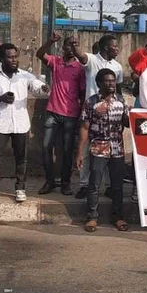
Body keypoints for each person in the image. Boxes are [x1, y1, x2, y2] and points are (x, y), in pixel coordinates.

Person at [0, 43, 49, 203]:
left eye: (16, 57)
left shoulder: (25, 75)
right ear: (1, 59)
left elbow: (36, 86)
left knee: (22, 158)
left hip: (20, 123)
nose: (14, 60)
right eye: (10, 57)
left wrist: (43, 88)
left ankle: (20, 188)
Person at [68, 35, 123, 197]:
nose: (117, 49)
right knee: (86, 150)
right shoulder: (92, 60)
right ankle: (85, 185)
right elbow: (80, 55)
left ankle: (108, 186)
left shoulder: (117, 66)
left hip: (111, 116)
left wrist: (120, 110)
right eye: (115, 46)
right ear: (106, 47)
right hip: (91, 113)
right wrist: (74, 44)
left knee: (109, 152)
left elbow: (118, 90)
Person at [76, 69, 130, 233]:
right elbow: (85, 128)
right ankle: (92, 217)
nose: (111, 84)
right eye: (107, 81)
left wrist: (130, 116)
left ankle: (118, 217)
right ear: (99, 83)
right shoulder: (91, 102)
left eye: (113, 81)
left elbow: (128, 123)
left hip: (117, 148)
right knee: (94, 184)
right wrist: (79, 152)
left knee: (117, 185)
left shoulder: (121, 101)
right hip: (98, 146)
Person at [35, 33, 86, 196]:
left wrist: (83, 112)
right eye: (69, 44)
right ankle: (50, 181)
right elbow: (39, 54)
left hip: (71, 114)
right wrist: (50, 41)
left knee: (67, 150)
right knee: (46, 147)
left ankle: (65, 183)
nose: (72, 47)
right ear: (63, 47)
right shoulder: (56, 62)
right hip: (53, 111)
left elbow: (83, 92)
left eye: (75, 44)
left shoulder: (80, 68)